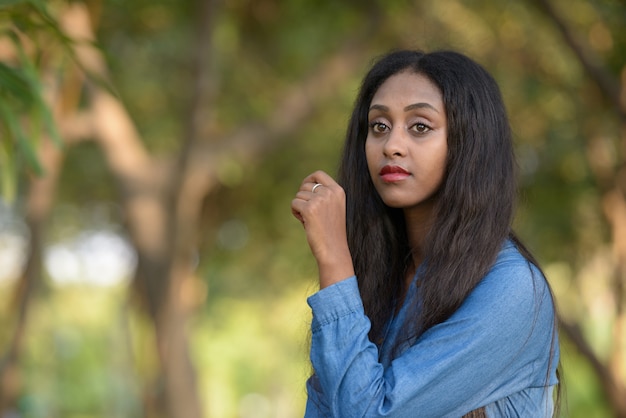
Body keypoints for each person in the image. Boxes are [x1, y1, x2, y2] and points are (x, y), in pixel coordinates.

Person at [291, 50, 561, 418]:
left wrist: (335, 257)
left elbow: (371, 413)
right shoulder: (378, 282)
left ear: (469, 144)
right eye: (379, 126)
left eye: (420, 126)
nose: (391, 146)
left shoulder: (512, 289)